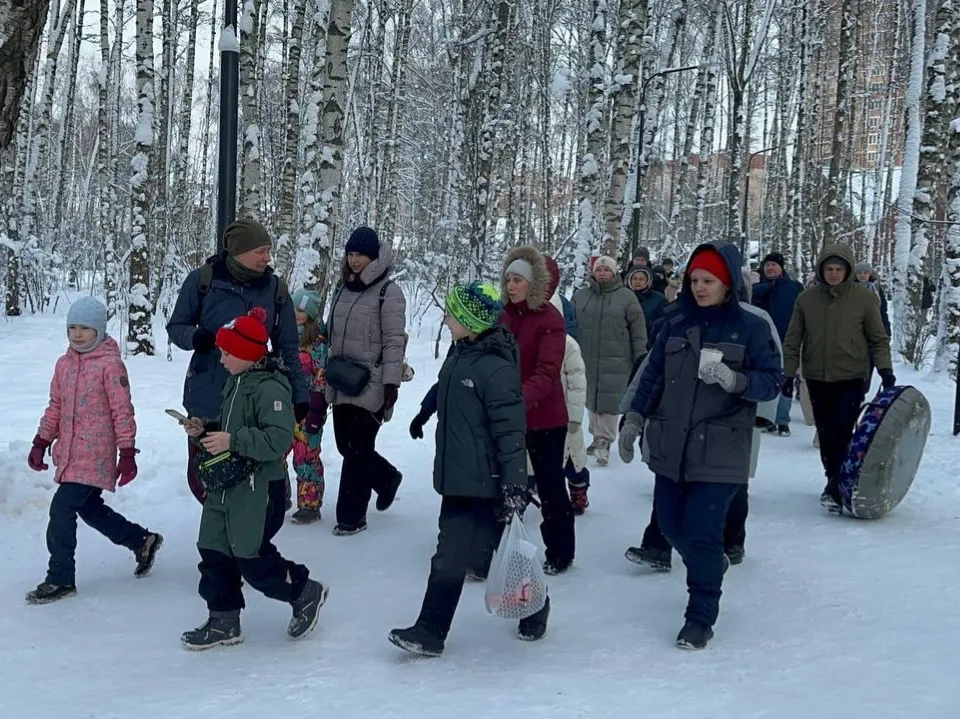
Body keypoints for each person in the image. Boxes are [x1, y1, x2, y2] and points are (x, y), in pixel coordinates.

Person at [618, 241, 782, 650]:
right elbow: (652, 375)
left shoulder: (752, 326)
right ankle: (711, 564)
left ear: (727, 283)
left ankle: (700, 617)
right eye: (694, 280)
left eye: (708, 280)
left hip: (721, 449)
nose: (700, 287)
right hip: (673, 445)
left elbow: (772, 381)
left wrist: (734, 380)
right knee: (671, 526)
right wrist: (634, 418)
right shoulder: (675, 322)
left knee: (703, 532)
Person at [391, 283, 550, 656]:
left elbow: (511, 432)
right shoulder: (460, 352)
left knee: (477, 552)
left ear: (471, 321)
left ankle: (534, 608)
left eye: (451, 314)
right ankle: (432, 630)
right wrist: (425, 412)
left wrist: (514, 486)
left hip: (489, 482)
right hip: (459, 478)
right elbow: (445, 387)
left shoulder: (495, 369)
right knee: (461, 552)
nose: (445, 319)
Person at [180, 308, 328, 650]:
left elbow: (277, 440)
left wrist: (233, 441)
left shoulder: (271, 389)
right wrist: (204, 430)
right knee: (213, 549)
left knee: (251, 557)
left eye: (227, 353)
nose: (221, 359)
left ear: (247, 354)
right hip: (226, 484)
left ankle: (303, 591)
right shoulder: (237, 381)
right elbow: (229, 427)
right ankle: (223, 619)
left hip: (258, 488)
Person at [25, 296, 162, 604]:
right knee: (89, 508)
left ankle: (60, 577)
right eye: (72, 327)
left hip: (95, 454)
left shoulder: (110, 365)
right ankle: (142, 541)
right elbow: (56, 408)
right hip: (70, 453)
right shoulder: (64, 365)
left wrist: (127, 453)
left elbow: (122, 411)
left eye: (85, 328)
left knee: (62, 508)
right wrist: (41, 441)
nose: (77, 334)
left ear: (99, 329)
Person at [167, 218, 309, 504]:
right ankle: (221, 530)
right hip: (208, 392)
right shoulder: (203, 281)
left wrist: (299, 394)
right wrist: (197, 338)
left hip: (256, 396)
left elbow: (288, 347)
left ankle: (253, 531)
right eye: (260, 251)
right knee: (204, 476)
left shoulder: (275, 290)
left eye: (268, 250)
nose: (267, 258)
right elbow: (176, 327)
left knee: (256, 476)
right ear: (238, 252)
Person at [783, 244, 894, 513]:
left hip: (851, 375)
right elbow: (793, 339)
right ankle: (834, 477)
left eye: (839, 269)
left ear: (848, 271)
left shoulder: (864, 299)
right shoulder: (806, 299)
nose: (833, 274)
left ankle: (835, 486)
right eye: (829, 269)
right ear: (822, 270)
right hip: (817, 375)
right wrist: (788, 373)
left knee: (842, 430)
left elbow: (877, 338)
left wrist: (885, 370)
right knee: (825, 430)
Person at [326, 226, 407, 536]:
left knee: (358, 450)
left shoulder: (389, 292)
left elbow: (393, 341)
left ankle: (351, 517)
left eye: (360, 254)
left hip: (371, 381)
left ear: (374, 257)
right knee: (346, 446)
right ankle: (386, 478)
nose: (354, 259)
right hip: (340, 378)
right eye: (351, 254)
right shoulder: (342, 287)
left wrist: (390, 385)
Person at [500, 245, 576, 575]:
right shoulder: (502, 316)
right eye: (508, 279)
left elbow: (547, 372)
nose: (511, 286)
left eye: (518, 280)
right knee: (505, 483)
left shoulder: (550, 319)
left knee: (549, 486)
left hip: (545, 418)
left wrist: (516, 399)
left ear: (533, 284)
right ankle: (498, 544)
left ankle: (560, 550)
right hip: (509, 414)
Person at [572, 256, 647, 465]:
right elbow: (570, 325)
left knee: (609, 401)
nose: (603, 273)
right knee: (592, 400)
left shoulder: (627, 297)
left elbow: (638, 330)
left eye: (607, 270)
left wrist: (640, 356)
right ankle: (597, 437)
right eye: (599, 269)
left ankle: (604, 440)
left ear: (614, 273)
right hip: (587, 358)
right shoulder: (581, 296)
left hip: (617, 360)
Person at [545, 256, 590, 513]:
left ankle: (578, 488)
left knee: (573, 457)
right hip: (541, 407)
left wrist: (574, 415)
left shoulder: (568, 344)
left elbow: (577, 382)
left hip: (564, 408)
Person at [751, 252, 804, 436]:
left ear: (781, 268)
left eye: (774, 265)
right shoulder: (757, 289)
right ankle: (767, 418)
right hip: (763, 341)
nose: (770, 268)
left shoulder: (794, 288)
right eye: (767, 265)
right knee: (766, 378)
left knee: (786, 378)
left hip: (788, 339)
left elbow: (802, 314)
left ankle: (782, 420)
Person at [290, 289, 329, 524]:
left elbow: (321, 376)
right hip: (284, 406)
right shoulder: (284, 335)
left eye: (302, 310)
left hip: (308, 410)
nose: (297, 314)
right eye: (294, 309)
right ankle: (277, 495)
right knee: (276, 454)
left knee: (305, 457)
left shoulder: (318, 341)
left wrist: (316, 409)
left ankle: (310, 504)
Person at [626, 265, 668, 345]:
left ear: (648, 281)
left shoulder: (659, 299)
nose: (637, 281)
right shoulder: (623, 297)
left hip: (649, 343)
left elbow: (663, 323)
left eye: (641, 279)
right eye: (634, 279)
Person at [854, 262, 892, 336]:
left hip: (875, 322)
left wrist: (886, 330)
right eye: (859, 273)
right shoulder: (850, 288)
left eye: (865, 273)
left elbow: (883, 310)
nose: (862, 275)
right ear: (855, 275)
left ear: (869, 274)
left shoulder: (876, 288)